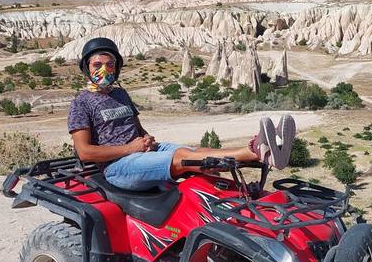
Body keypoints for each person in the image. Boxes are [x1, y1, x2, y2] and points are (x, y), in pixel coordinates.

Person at [68, 37, 296, 192]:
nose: (104, 70)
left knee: (193, 152)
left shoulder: (120, 94)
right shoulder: (81, 102)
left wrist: (146, 139)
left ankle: (257, 150)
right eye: (97, 64)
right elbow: (85, 152)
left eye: (110, 64)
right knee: (182, 160)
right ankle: (255, 152)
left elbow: (137, 128)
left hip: (141, 151)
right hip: (118, 167)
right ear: (87, 68)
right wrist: (132, 148)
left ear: (116, 68)